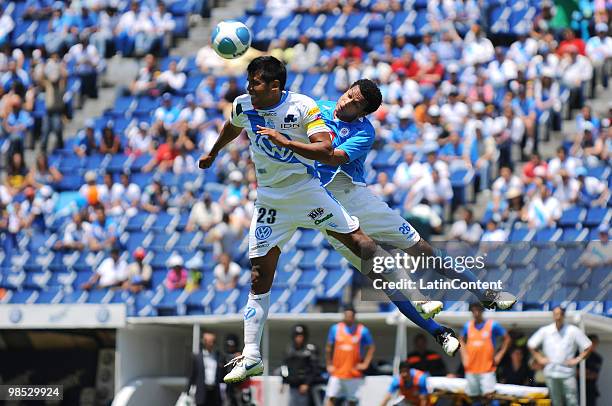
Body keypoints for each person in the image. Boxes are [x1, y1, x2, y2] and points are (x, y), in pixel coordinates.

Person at [197, 56, 399, 383]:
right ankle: (251, 354)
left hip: (306, 189)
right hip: (269, 200)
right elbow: (232, 126)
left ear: (275, 86)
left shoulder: (302, 107)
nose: (250, 86)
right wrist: (214, 152)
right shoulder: (243, 104)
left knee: (356, 239)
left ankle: (400, 278)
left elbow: (325, 148)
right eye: (249, 80)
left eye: (257, 82)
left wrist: (286, 142)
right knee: (259, 276)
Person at [310, 80, 515, 349]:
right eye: (348, 94)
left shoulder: (364, 131)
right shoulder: (314, 109)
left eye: (356, 102)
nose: (347, 101)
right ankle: (438, 332)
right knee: (381, 277)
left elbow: (332, 158)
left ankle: (483, 291)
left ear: (363, 112)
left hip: (354, 198)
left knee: (423, 250)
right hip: (326, 208)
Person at [528, 306, 593, 406]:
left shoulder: (572, 330)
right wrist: (539, 359)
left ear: (563, 316)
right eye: (555, 314)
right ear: (553, 316)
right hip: (550, 373)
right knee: (556, 402)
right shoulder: (545, 330)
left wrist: (577, 360)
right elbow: (531, 344)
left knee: (572, 401)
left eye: (560, 314)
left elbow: (588, 346)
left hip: (567, 373)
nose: (557, 317)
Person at [459, 302, 511, 401]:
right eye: (473, 310)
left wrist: (499, 355)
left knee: (490, 396)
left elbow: (507, 339)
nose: (476, 313)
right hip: (471, 368)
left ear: (482, 311)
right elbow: (460, 339)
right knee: (474, 397)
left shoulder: (492, 325)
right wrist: (464, 356)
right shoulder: (468, 326)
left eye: (478, 310)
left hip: (487, 368)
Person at [325, 307, 375, 406]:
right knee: (331, 398)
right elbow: (328, 348)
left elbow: (371, 347)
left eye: (350, 316)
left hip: (353, 373)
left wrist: (365, 364)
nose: (348, 318)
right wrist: (328, 364)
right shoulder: (335, 329)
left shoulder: (362, 330)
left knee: (352, 401)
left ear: (354, 317)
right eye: (346, 316)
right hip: (337, 372)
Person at [281, 324, 320, 406]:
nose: (299, 338)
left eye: (301, 336)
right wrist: (284, 382)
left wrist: (307, 384)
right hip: (293, 387)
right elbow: (284, 367)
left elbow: (314, 369)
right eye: (297, 336)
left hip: (306, 388)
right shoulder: (289, 350)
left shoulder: (310, 350)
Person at [186, 332, 224, 406]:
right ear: (204, 342)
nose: (211, 344)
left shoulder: (218, 357)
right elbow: (192, 375)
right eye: (209, 342)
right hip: (201, 393)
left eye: (213, 342)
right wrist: (187, 391)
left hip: (214, 393)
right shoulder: (197, 358)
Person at [585, 334, 602, 406]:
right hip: (578, 388)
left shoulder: (597, 358)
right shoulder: (579, 355)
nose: (594, 345)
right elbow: (577, 373)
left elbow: (595, 375)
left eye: (596, 342)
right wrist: (586, 373)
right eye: (593, 342)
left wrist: (586, 373)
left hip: (591, 389)